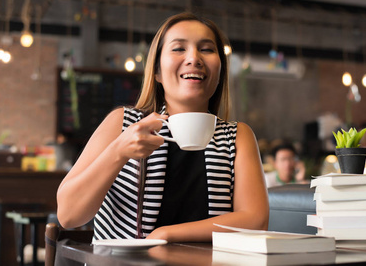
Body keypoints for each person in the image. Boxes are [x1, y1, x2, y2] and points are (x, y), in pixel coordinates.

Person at [56, 12, 269, 242]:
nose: (194, 58)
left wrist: (166, 235)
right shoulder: (123, 123)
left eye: (206, 49)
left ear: (220, 72)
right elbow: (69, 216)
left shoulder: (237, 137)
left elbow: (255, 220)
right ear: (156, 71)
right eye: (179, 48)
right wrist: (118, 151)